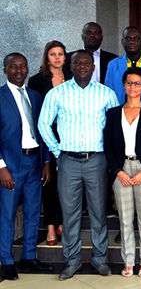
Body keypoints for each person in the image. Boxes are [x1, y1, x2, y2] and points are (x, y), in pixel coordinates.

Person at [38, 50, 119, 280]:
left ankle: (100, 260)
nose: (82, 66)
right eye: (77, 62)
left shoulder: (107, 94)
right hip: (68, 162)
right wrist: (57, 151)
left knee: (98, 212)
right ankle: (71, 262)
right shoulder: (57, 93)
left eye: (87, 63)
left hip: (97, 160)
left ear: (94, 67)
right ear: (70, 66)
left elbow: (114, 128)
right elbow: (43, 124)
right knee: (70, 214)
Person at [104, 67, 141, 278]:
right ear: (124, 85)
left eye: (137, 83)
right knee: (125, 220)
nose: (133, 87)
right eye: (129, 82)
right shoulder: (113, 113)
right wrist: (118, 171)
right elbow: (108, 146)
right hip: (121, 171)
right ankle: (128, 261)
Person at [0, 53, 53, 281]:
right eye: (13, 66)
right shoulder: (0, 96)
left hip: (35, 163)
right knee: (7, 215)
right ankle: (6, 261)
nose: (19, 70)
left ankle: (29, 257)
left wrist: (47, 161)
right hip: (10, 164)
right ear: (5, 70)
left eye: (22, 66)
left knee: (32, 212)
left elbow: (44, 130)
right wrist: (1, 167)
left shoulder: (35, 96)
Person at [28, 40, 72, 245]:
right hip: (47, 134)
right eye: (53, 54)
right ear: (47, 57)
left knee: (68, 181)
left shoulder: (72, 78)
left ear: (65, 57)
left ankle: (65, 222)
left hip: (69, 134)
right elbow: (36, 113)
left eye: (60, 54)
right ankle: (51, 227)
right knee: (49, 181)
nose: (57, 58)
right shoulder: (37, 81)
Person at [105, 26, 141, 104]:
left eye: (136, 38)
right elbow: (108, 93)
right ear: (122, 42)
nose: (132, 42)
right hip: (120, 112)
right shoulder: (113, 64)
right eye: (128, 39)